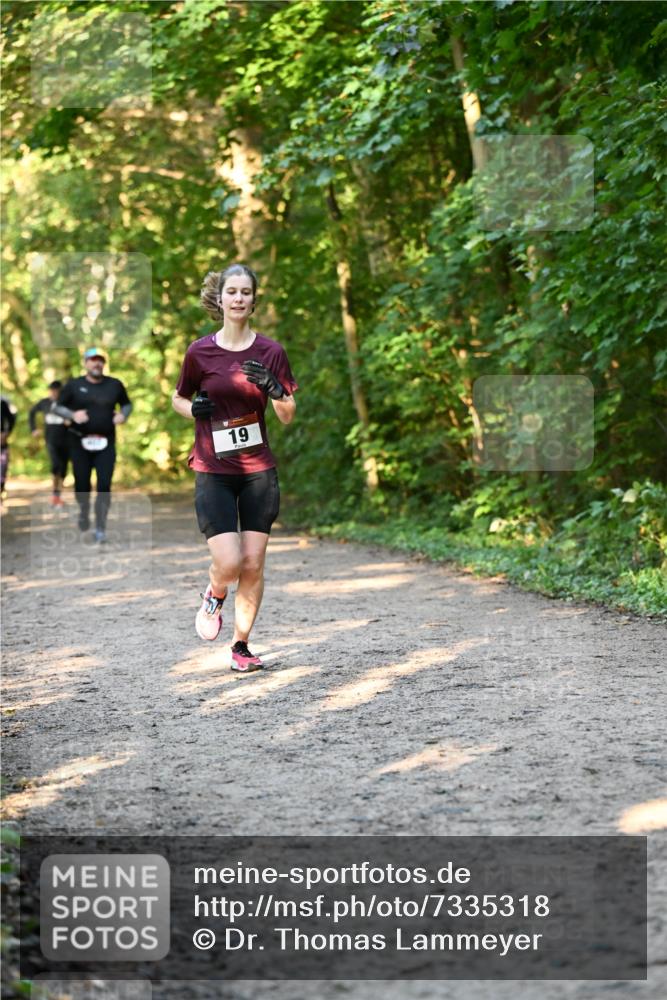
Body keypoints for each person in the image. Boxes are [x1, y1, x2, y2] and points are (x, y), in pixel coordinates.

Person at [172, 263, 298, 673]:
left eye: (246, 292)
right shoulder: (199, 351)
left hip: (258, 469)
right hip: (213, 468)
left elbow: (287, 415)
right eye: (232, 291)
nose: (239, 298)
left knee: (253, 562)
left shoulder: (271, 352)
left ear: (254, 300)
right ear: (220, 298)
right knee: (229, 563)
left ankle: (241, 646)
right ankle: (214, 593)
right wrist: (193, 408)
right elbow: (177, 398)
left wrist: (276, 389)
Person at [51, 348, 132, 543]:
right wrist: (72, 415)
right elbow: (57, 407)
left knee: (104, 485)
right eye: (93, 360)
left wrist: (123, 415)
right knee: (82, 485)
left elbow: (127, 404)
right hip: (79, 442)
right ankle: (83, 510)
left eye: (100, 361)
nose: (97, 364)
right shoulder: (73, 385)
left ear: (104, 364)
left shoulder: (114, 384)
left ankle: (100, 528)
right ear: (86, 363)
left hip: (106, 443)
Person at [29, 380, 70, 506]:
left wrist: (70, 421)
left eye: (56, 391)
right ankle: (54, 494)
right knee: (55, 464)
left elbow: (77, 417)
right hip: (51, 439)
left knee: (63, 468)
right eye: (52, 391)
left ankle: (59, 494)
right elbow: (32, 413)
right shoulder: (44, 403)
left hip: (66, 440)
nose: (54, 393)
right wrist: (34, 429)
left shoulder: (67, 404)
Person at [1, 396, 17, 499]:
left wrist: (6, 434)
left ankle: (1, 492)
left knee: (2, 469)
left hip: (1, 442)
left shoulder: (2, 402)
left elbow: (11, 419)